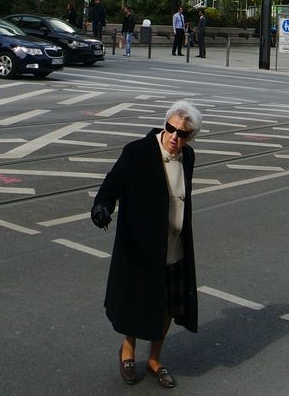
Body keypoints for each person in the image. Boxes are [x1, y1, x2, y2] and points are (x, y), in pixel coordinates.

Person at [91, 98, 202, 389]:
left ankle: (155, 359)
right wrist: (102, 207)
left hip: (174, 247)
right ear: (165, 125)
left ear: (191, 138)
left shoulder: (188, 158)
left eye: (183, 134)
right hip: (141, 247)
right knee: (137, 301)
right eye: (171, 129)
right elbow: (112, 185)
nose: (174, 137)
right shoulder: (138, 152)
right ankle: (128, 351)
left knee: (165, 307)